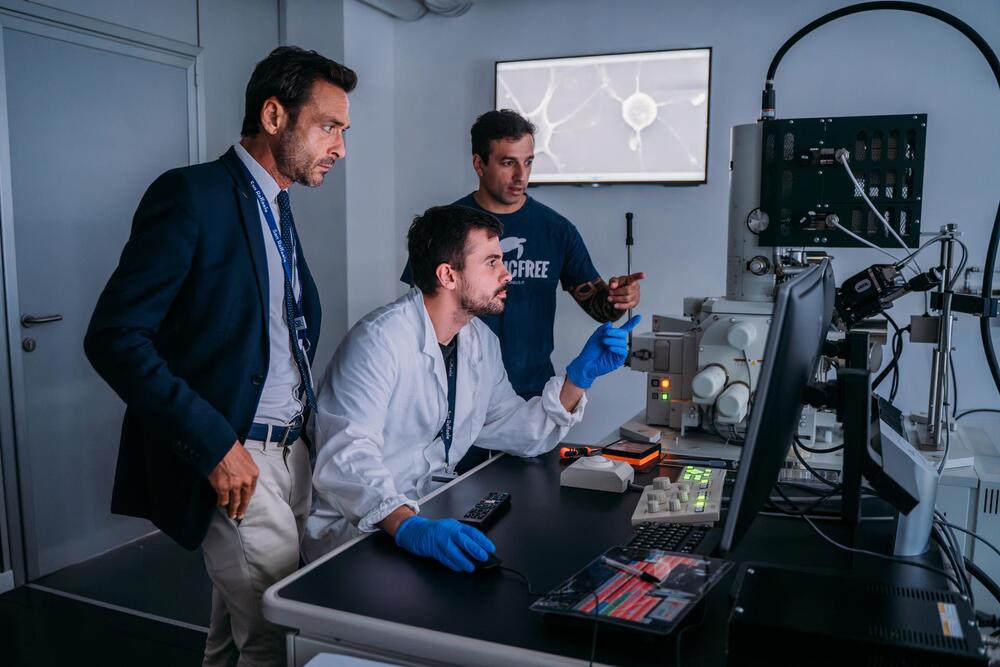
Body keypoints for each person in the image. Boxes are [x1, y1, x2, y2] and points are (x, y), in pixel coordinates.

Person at [84, 47, 356, 667]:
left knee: (234, 638)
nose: (339, 146)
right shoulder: (190, 195)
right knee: (280, 640)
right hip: (236, 457)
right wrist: (213, 444)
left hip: (293, 455)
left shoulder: (279, 206)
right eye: (328, 126)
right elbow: (114, 336)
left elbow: (275, 338)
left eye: (342, 131)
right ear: (273, 115)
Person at [305, 204, 639, 568]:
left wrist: (577, 379)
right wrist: (407, 526)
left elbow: (514, 428)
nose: (507, 274)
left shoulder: (477, 340)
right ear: (448, 275)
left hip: (429, 514)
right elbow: (346, 457)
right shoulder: (378, 341)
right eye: (492, 262)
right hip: (363, 532)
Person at [402, 109, 645, 400]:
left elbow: (600, 309)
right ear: (479, 164)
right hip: (453, 392)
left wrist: (619, 300)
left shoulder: (556, 230)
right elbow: (415, 314)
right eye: (508, 163)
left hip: (532, 393)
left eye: (527, 162)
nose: (521, 176)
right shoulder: (444, 228)